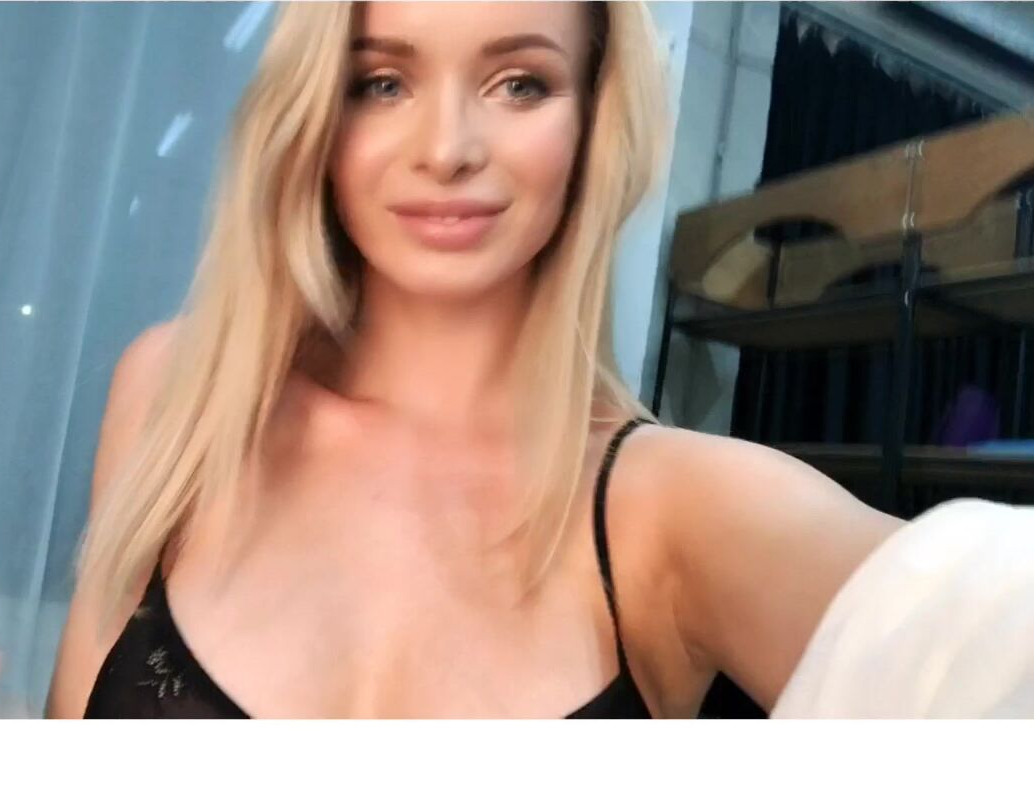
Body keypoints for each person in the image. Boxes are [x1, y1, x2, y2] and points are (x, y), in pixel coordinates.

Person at [46, 1, 902, 719]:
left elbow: (958, 635)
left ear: (593, 115)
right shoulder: (178, 397)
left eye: (519, 83)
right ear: (316, 110)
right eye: (382, 83)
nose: (447, 148)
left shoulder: (674, 509)